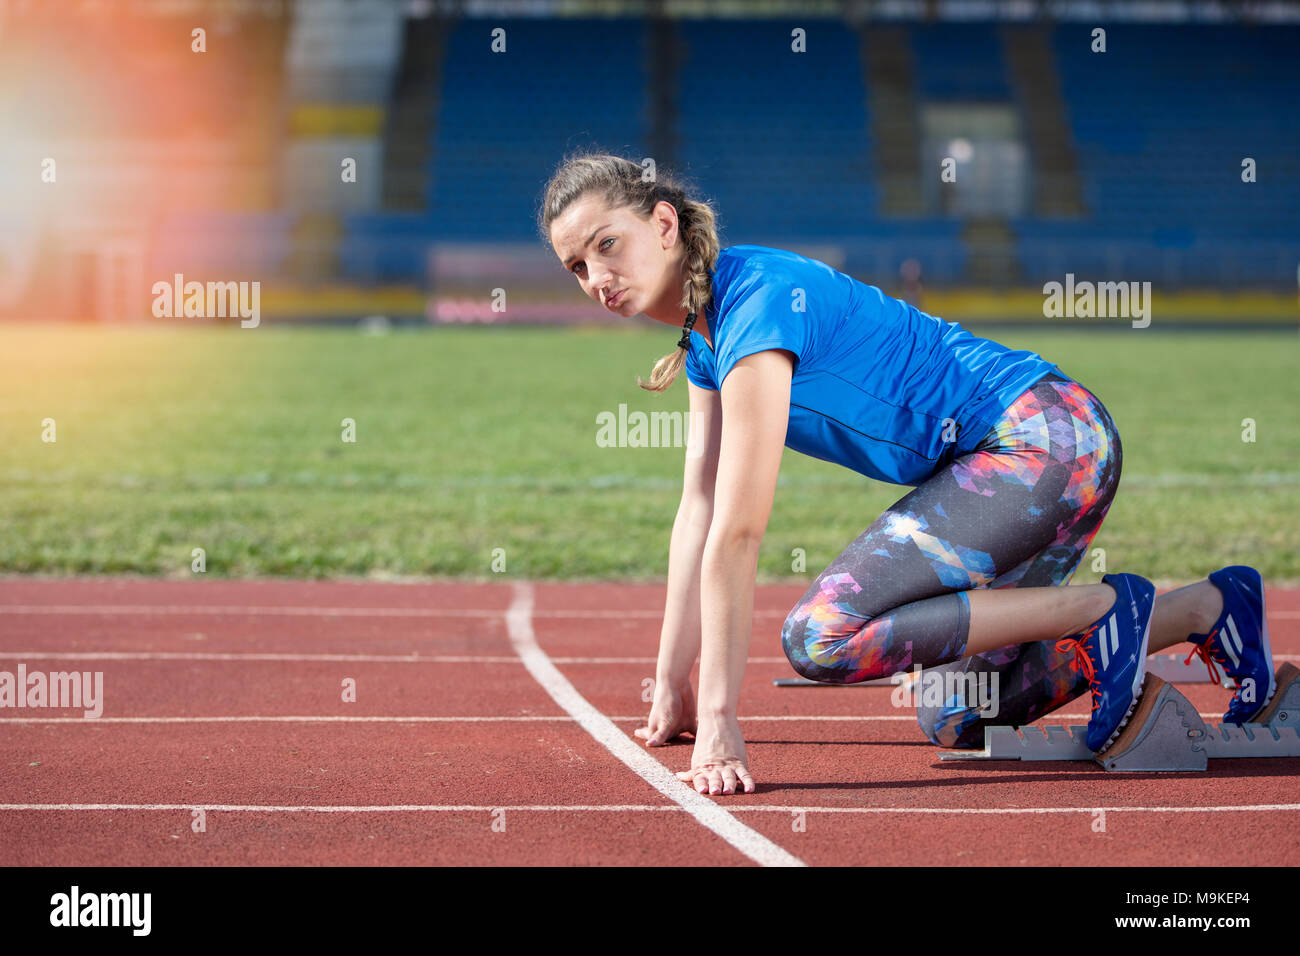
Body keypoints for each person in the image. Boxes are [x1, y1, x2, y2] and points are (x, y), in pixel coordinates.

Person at [538, 152, 1273, 796]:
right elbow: (697, 511)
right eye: (577, 265)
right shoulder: (705, 341)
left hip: (1044, 438)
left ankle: (1102, 611)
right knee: (959, 712)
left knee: (822, 637)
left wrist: (722, 724)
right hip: (1032, 458)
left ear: (663, 224)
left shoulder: (755, 300)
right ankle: (1208, 608)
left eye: (608, 245)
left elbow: (739, 528)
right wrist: (673, 687)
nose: (598, 276)